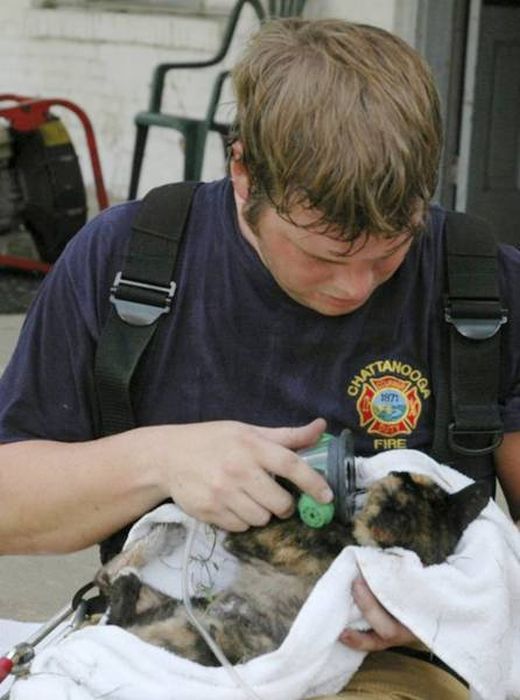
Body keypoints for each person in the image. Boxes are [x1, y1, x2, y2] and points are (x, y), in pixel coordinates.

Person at [0, 17, 519, 699]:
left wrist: (446, 610)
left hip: (395, 665)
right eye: (323, 254)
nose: (354, 286)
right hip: (174, 651)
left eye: (390, 252)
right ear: (243, 171)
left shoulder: (484, 287)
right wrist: (162, 460)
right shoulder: (128, 264)